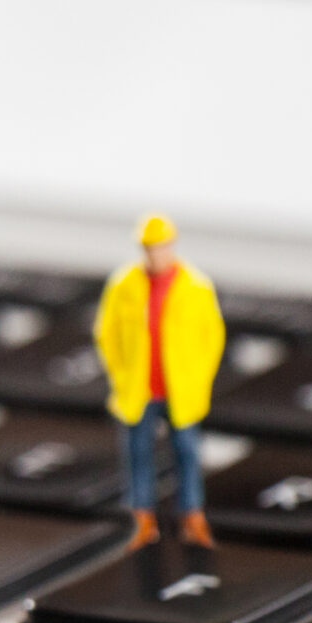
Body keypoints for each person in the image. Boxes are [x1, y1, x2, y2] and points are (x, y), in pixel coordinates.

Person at [93, 212, 226, 549]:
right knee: (138, 456)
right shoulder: (123, 285)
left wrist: (199, 379)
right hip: (138, 390)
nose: (155, 254)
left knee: (187, 454)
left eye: (161, 247)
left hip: (180, 390)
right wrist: (120, 373)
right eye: (149, 248)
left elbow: (212, 338)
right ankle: (142, 520)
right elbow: (106, 333)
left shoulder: (196, 285)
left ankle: (192, 517)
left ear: (171, 246)